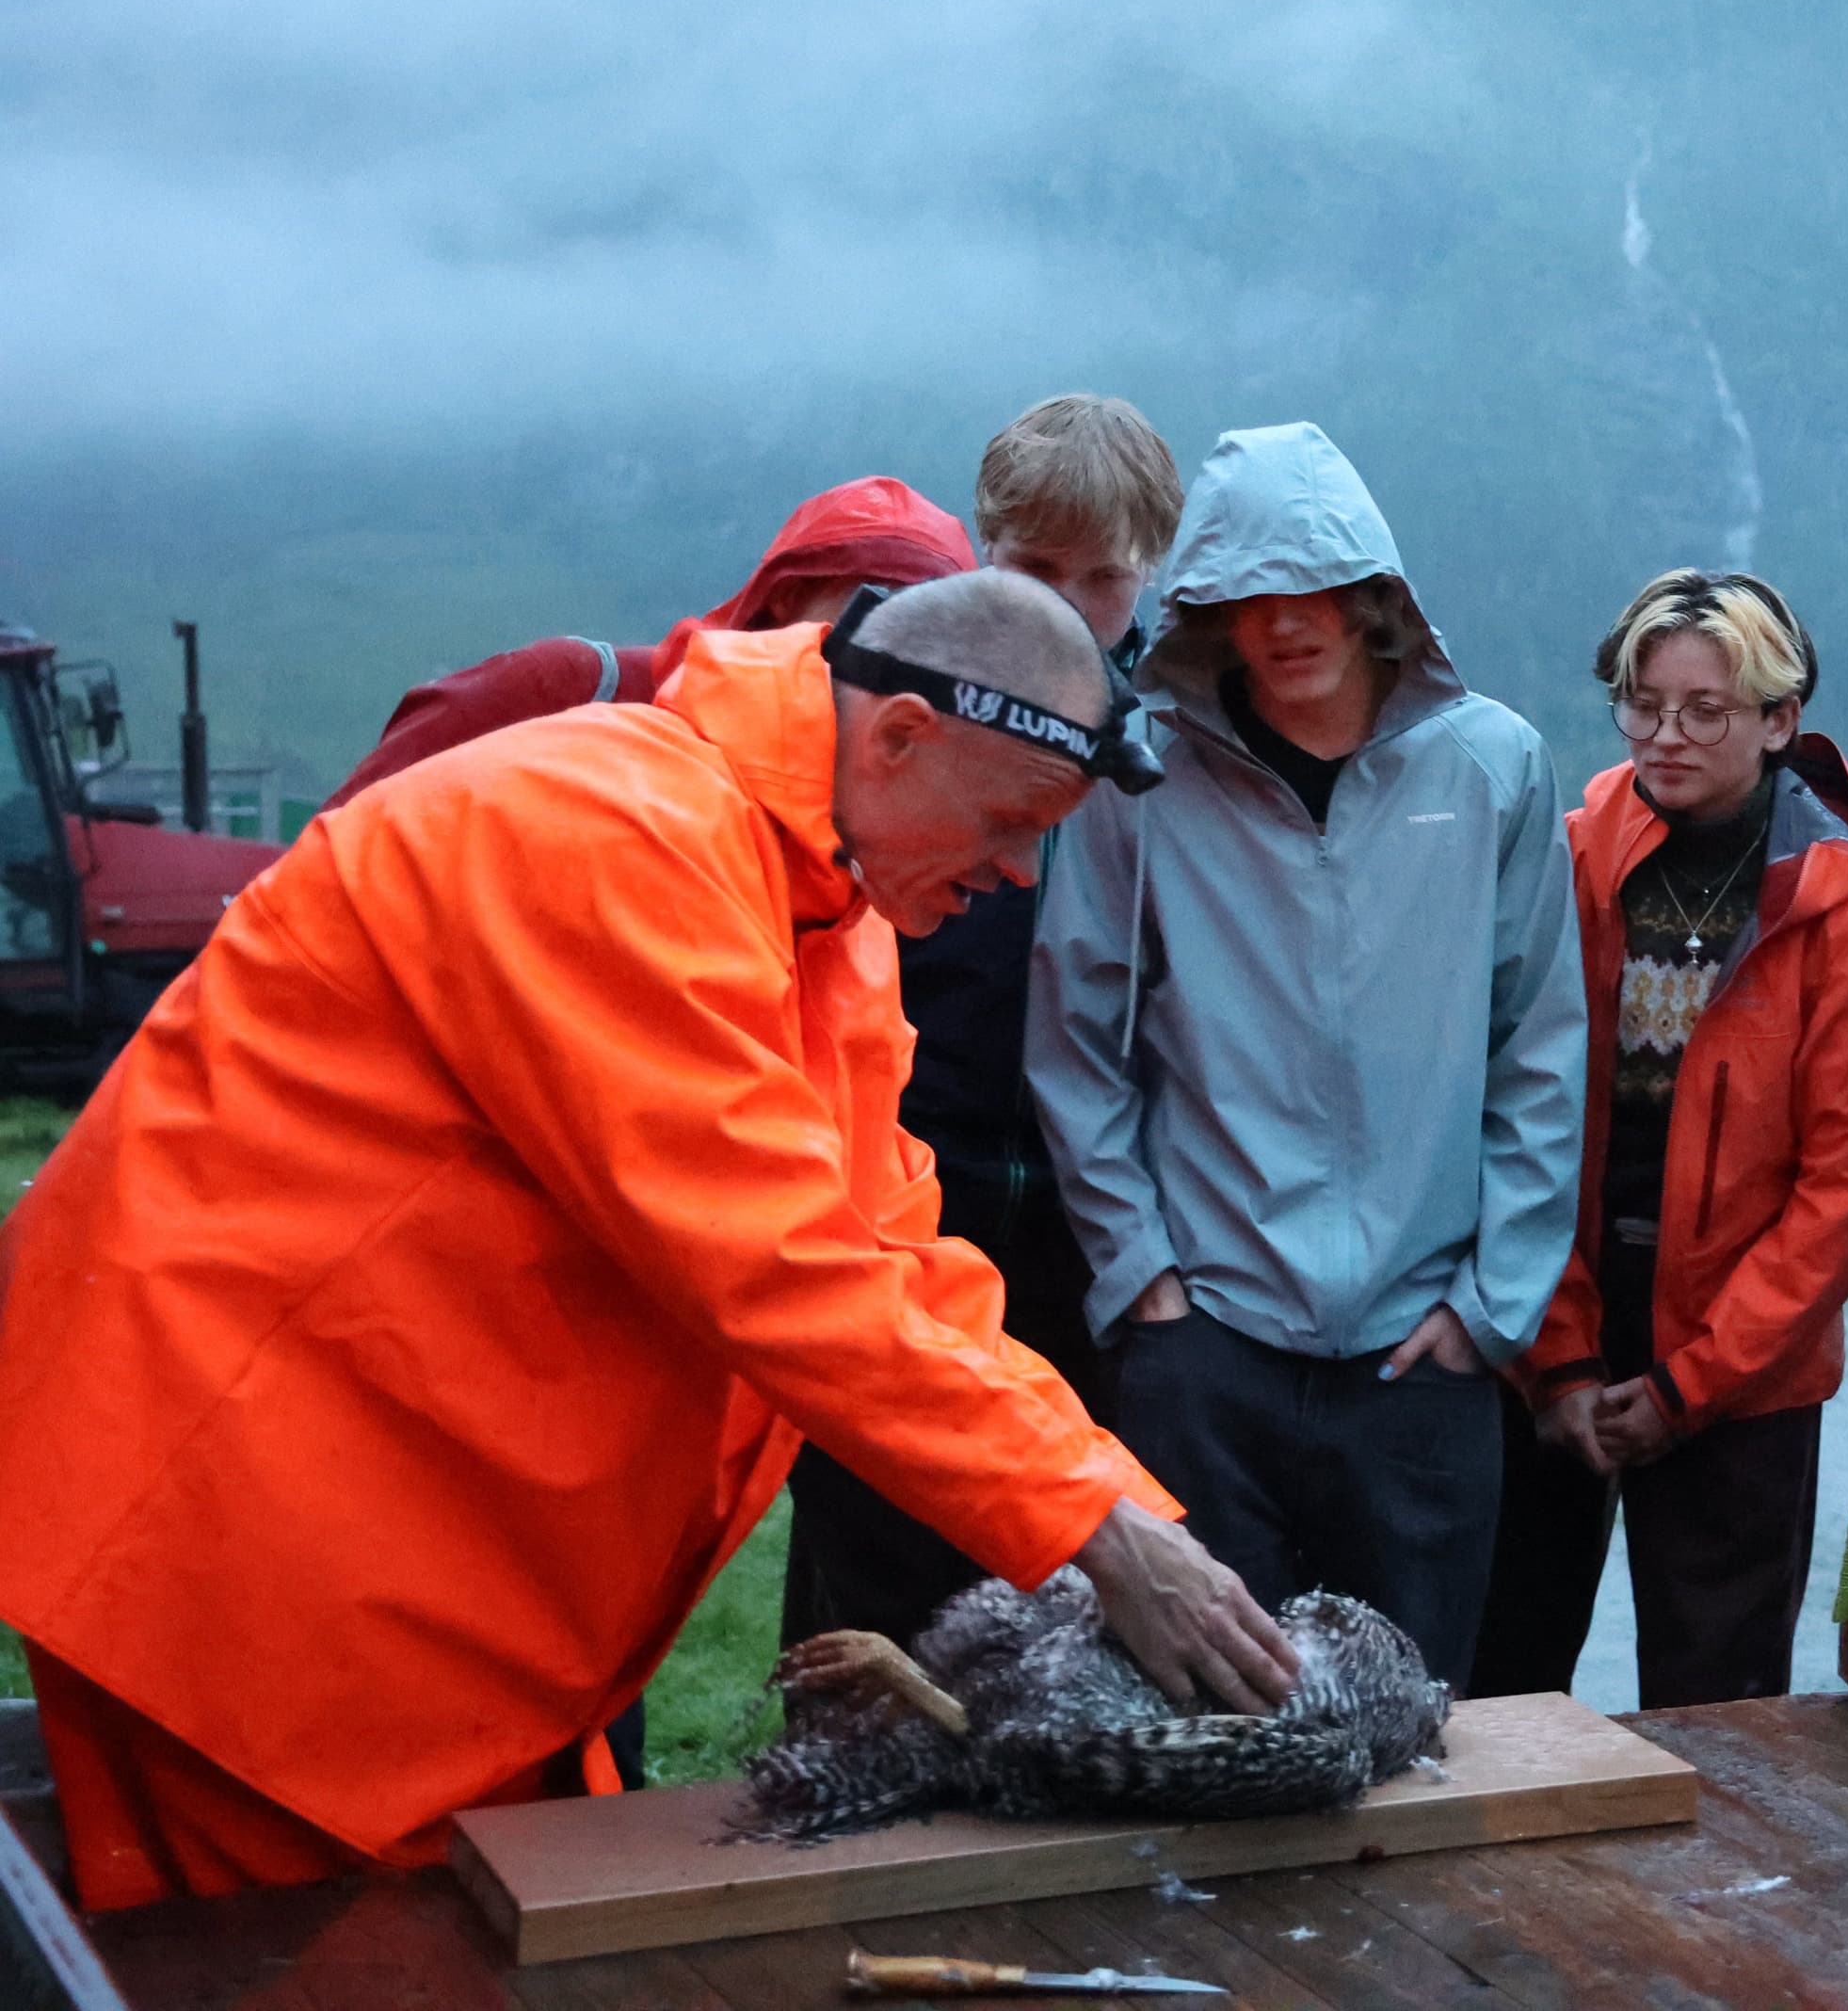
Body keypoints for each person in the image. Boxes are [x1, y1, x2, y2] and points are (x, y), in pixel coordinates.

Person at [0, 572, 1295, 1911]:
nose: (1021, 873)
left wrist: (1124, 1512)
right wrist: (1089, 1530)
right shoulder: (613, 833)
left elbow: (895, 1260)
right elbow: (777, 1269)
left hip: (389, 1555)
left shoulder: (828, 913)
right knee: (304, 1960)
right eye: (1013, 823)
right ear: (901, 736)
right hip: (239, 1538)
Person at [1029, 424, 1585, 1684]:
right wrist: (1142, 1279)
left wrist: (1489, 1309)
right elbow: (1076, 1037)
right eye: (1247, 594)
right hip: (1205, 1343)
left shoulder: (1492, 766)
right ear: (1208, 611)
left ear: (1373, 591)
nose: (1284, 623)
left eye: (1314, 586)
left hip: (1424, 1354)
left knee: (1410, 1722)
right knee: (1205, 1723)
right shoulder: (1143, 779)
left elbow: (1541, 1050)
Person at [779, 395, 1184, 1651]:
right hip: (908, 1191)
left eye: (1104, 578)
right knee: (871, 1560)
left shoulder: (1181, 749)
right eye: (1035, 570)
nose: (1070, 603)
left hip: (1095, 1229)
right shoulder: (908, 716)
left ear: (1152, 572)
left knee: (1069, 1599)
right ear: (981, 548)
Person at [1472, 571, 1848, 1707]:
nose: (1666, 734)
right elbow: (1505, 1108)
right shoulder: (1568, 863)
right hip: (1554, 1320)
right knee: (1500, 1681)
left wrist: (1690, 1384)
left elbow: (1842, 1193)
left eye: (1706, 710)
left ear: (1780, 719)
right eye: (1644, 703)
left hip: (1744, 1373)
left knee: (1719, 1707)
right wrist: (1558, 1358)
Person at [328, 475, 976, 804]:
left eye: (930, 637)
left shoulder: (849, 831)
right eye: (876, 607)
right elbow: (323, 868)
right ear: (786, 594)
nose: (890, 651)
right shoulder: (570, 686)